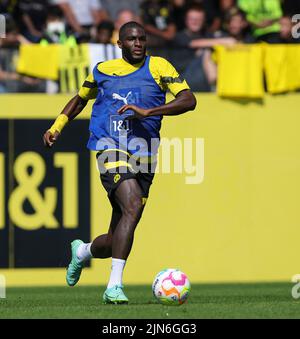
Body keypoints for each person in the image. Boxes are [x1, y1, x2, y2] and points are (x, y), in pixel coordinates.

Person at [43, 21, 196, 304]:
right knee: (133, 204)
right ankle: (114, 286)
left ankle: (83, 252)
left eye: (141, 39)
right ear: (120, 43)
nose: (138, 43)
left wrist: (150, 111)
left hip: (145, 152)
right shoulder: (103, 70)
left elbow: (189, 100)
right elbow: (80, 100)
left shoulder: (160, 67)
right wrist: (57, 126)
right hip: (109, 145)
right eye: (131, 39)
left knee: (117, 236)